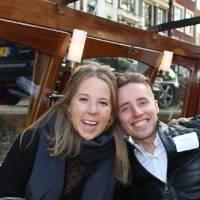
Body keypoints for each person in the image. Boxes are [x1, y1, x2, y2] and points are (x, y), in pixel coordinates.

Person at [0, 64, 129, 200]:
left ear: (111, 115)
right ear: (68, 105)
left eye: (102, 103)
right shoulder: (32, 140)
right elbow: (6, 193)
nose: (92, 110)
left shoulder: (121, 157)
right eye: (83, 99)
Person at [115, 72, 200, 200]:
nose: (137, 112)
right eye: (125, 108)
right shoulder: (119, 170)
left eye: (142, 102)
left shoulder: (194, 133)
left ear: (156, 106)